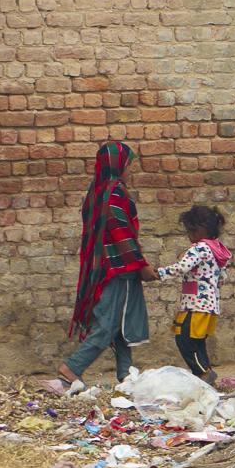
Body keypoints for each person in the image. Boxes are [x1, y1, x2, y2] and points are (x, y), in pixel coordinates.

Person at [58, 141, 158, 385]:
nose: (130, 170)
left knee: (121, 322)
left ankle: (126, 375)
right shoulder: (115, 192)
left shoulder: (96, 192)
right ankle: (72, 368)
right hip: (118, 268)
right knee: (108, 323)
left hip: (102, 269)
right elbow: (120, 231)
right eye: (129, 165)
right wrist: (140, 264)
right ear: (117, 165)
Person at [157, 204, 233, 383]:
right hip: (209, 305)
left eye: (188, 231)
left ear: (198, 230)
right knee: (197, 341)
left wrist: (159, 273)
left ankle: (203, 372)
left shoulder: (199, 248)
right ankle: (203, 372)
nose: (188, 236)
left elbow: (182, 267)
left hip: (195, 304)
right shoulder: (218, 250)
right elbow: (222, 278)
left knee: (185, 340)